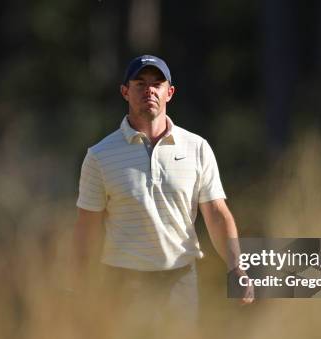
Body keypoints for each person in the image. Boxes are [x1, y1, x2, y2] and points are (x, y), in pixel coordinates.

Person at [71, 55, 253, 321]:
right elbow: (88, 226)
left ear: (170, 92)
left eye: (157, 83)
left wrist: (236, 268)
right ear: (125, 91)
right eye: (140, 83)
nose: (149, 90)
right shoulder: (100, 156)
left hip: (179, 280)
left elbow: (216, 212)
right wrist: (80, 283)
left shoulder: (197, 148)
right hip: (123, 283)